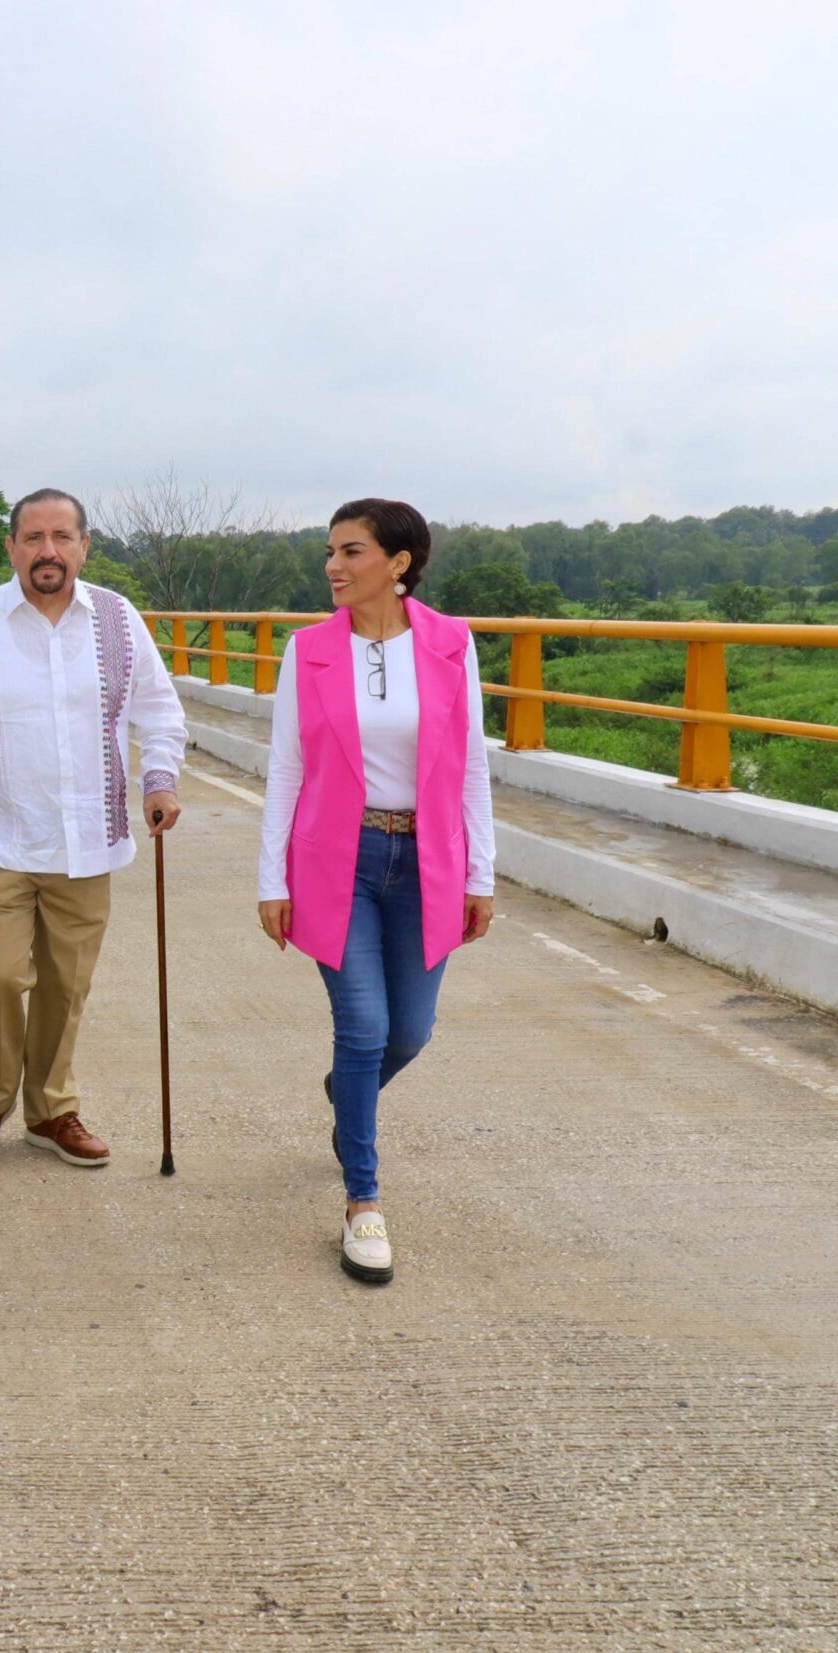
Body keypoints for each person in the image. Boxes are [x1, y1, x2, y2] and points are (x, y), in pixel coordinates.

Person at [0, 488, 186, 1170]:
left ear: (84, 546)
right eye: (33, 537)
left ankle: (51, 1111)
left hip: (88, 838)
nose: (47, 551)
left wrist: (161, 778)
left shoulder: (117, 621)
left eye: (62, 537)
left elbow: (159, 710)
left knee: (67, 984)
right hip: (0, 835)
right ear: (11, 547)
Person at [257, 497, 496, 1284]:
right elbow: (287, 766)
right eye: (330, 551)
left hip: (425, 861)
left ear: (399, 564)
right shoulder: (309, 651)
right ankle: (363, 1200)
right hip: (339, 860)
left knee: (409, 1035)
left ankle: (344, 1093)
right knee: (363, 1025)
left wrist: (480, 874)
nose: (333, 565)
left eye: (351, 551)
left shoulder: (451, 645)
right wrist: (271, 878)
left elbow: (470, 767)